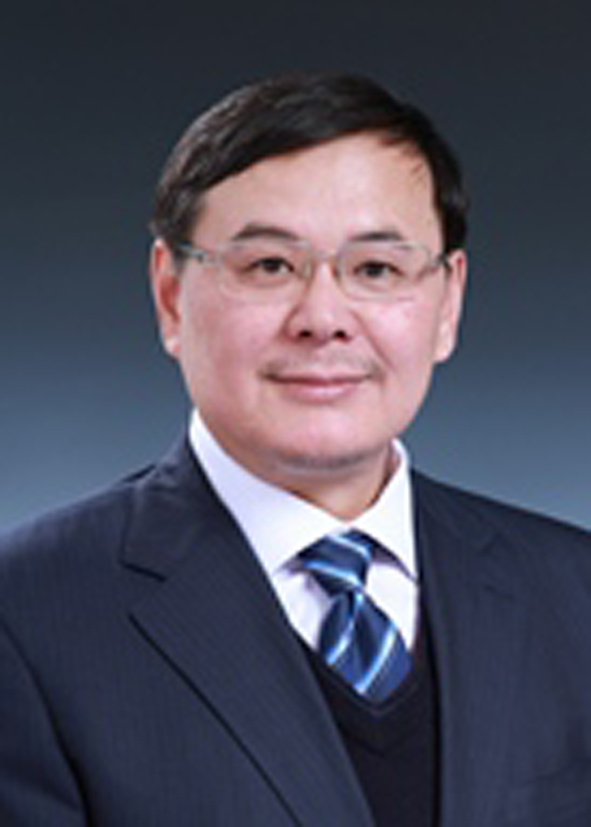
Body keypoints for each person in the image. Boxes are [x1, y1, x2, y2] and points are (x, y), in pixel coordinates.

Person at [1, 72, 590, 827]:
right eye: (269, 266)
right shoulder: (28, 617)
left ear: (447, 304)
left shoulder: (573, 596)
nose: (322, 317)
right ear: (171, 296)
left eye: (375, 269)